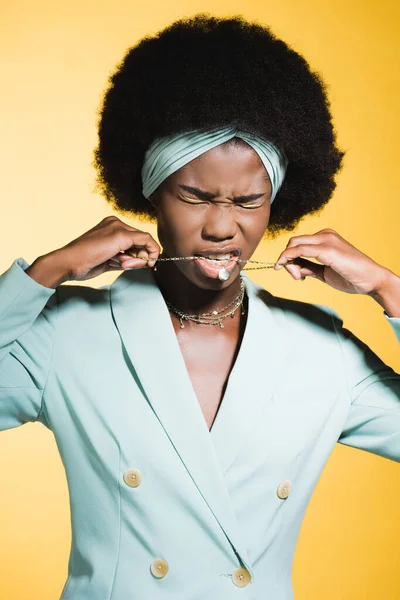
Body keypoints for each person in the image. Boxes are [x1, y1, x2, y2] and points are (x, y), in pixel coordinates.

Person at [1, 13, 399, 600]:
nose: (222, 227)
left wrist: (389, 289)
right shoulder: (69, 334)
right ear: (150, 192)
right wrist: (47, 273)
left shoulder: (321, 352)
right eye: (194, 196)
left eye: (248, 201)